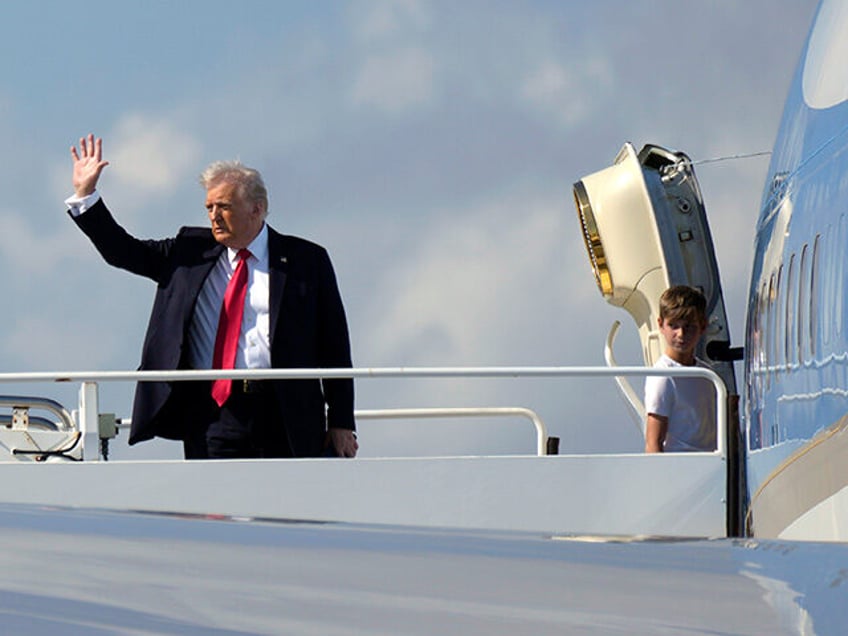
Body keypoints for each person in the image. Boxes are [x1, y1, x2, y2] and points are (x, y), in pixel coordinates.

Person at [67, 134, 358, 459]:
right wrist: (86, 195)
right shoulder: (188, 252)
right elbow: (123, 251)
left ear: (256, 209)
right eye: (209, 207)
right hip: (212, 413)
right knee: (215, 507)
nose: (214, 216)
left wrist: (342, 421)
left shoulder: (306, 260)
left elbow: (334, 346)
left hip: (286, 411)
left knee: (287, 507)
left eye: (224, 207)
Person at [644, 285, 716, 453]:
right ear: (661, 325)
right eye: (673, 326)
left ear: (703, 326)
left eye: (689, 327)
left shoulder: (708, 376)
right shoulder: (663, 376)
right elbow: (653, 442)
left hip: (713, 465)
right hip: (680, 467)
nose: (681, 334)